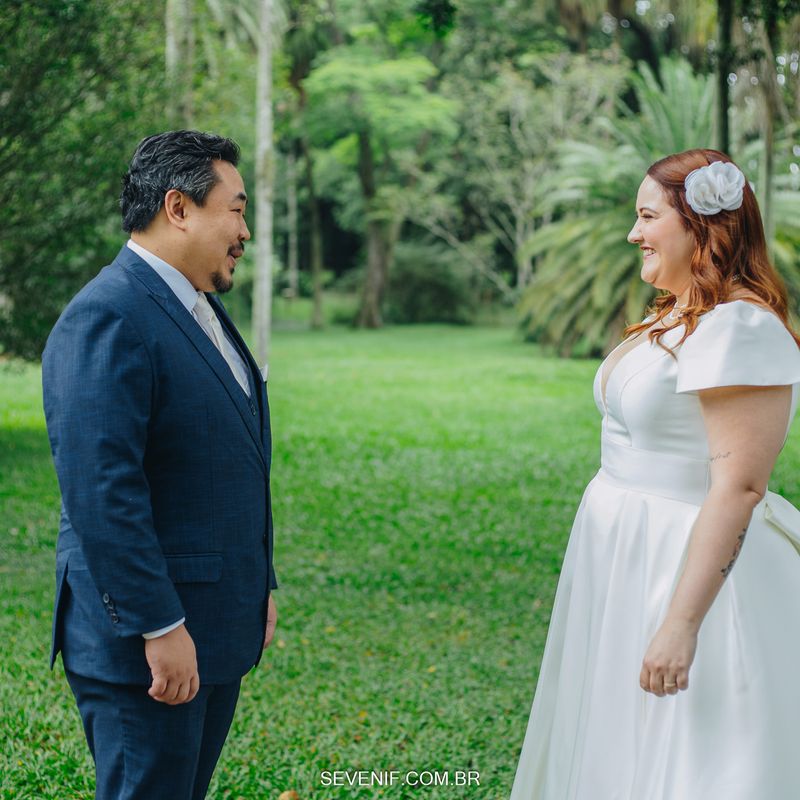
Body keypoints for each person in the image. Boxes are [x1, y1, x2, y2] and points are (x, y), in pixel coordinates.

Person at [510, 149, 800, 799]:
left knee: (693, 754)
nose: (632, 234)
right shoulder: (677, 312)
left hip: (687, 569)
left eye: (647, 217)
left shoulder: (741, 326)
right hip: (624, 556)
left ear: (703, 226)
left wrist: (680, 622)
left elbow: (739, 487)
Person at [42, 130, 278, 800]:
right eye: (235, 210)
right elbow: (101, 490)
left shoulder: (199, 307)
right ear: (178, 208)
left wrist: (258, 584)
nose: (245, 231)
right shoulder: (107, 315)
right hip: (146, 646)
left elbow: (221, 461)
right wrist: (160, 624)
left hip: (212, 627)